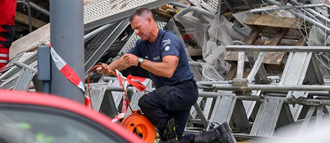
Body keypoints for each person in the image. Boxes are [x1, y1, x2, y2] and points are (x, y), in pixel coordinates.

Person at [98, 8, 235, 143]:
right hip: (167, 95)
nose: (136, 32)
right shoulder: (142, 44)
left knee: (146, 101)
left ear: (150, 21)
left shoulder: (168, 40)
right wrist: (107, 69)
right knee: (171, 141)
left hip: (183, 91)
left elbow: (168, 70)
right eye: (134, 29)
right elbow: (125, 60)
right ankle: (218, 133)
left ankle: (172, 133)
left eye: (138, 28)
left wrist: (139, 61)